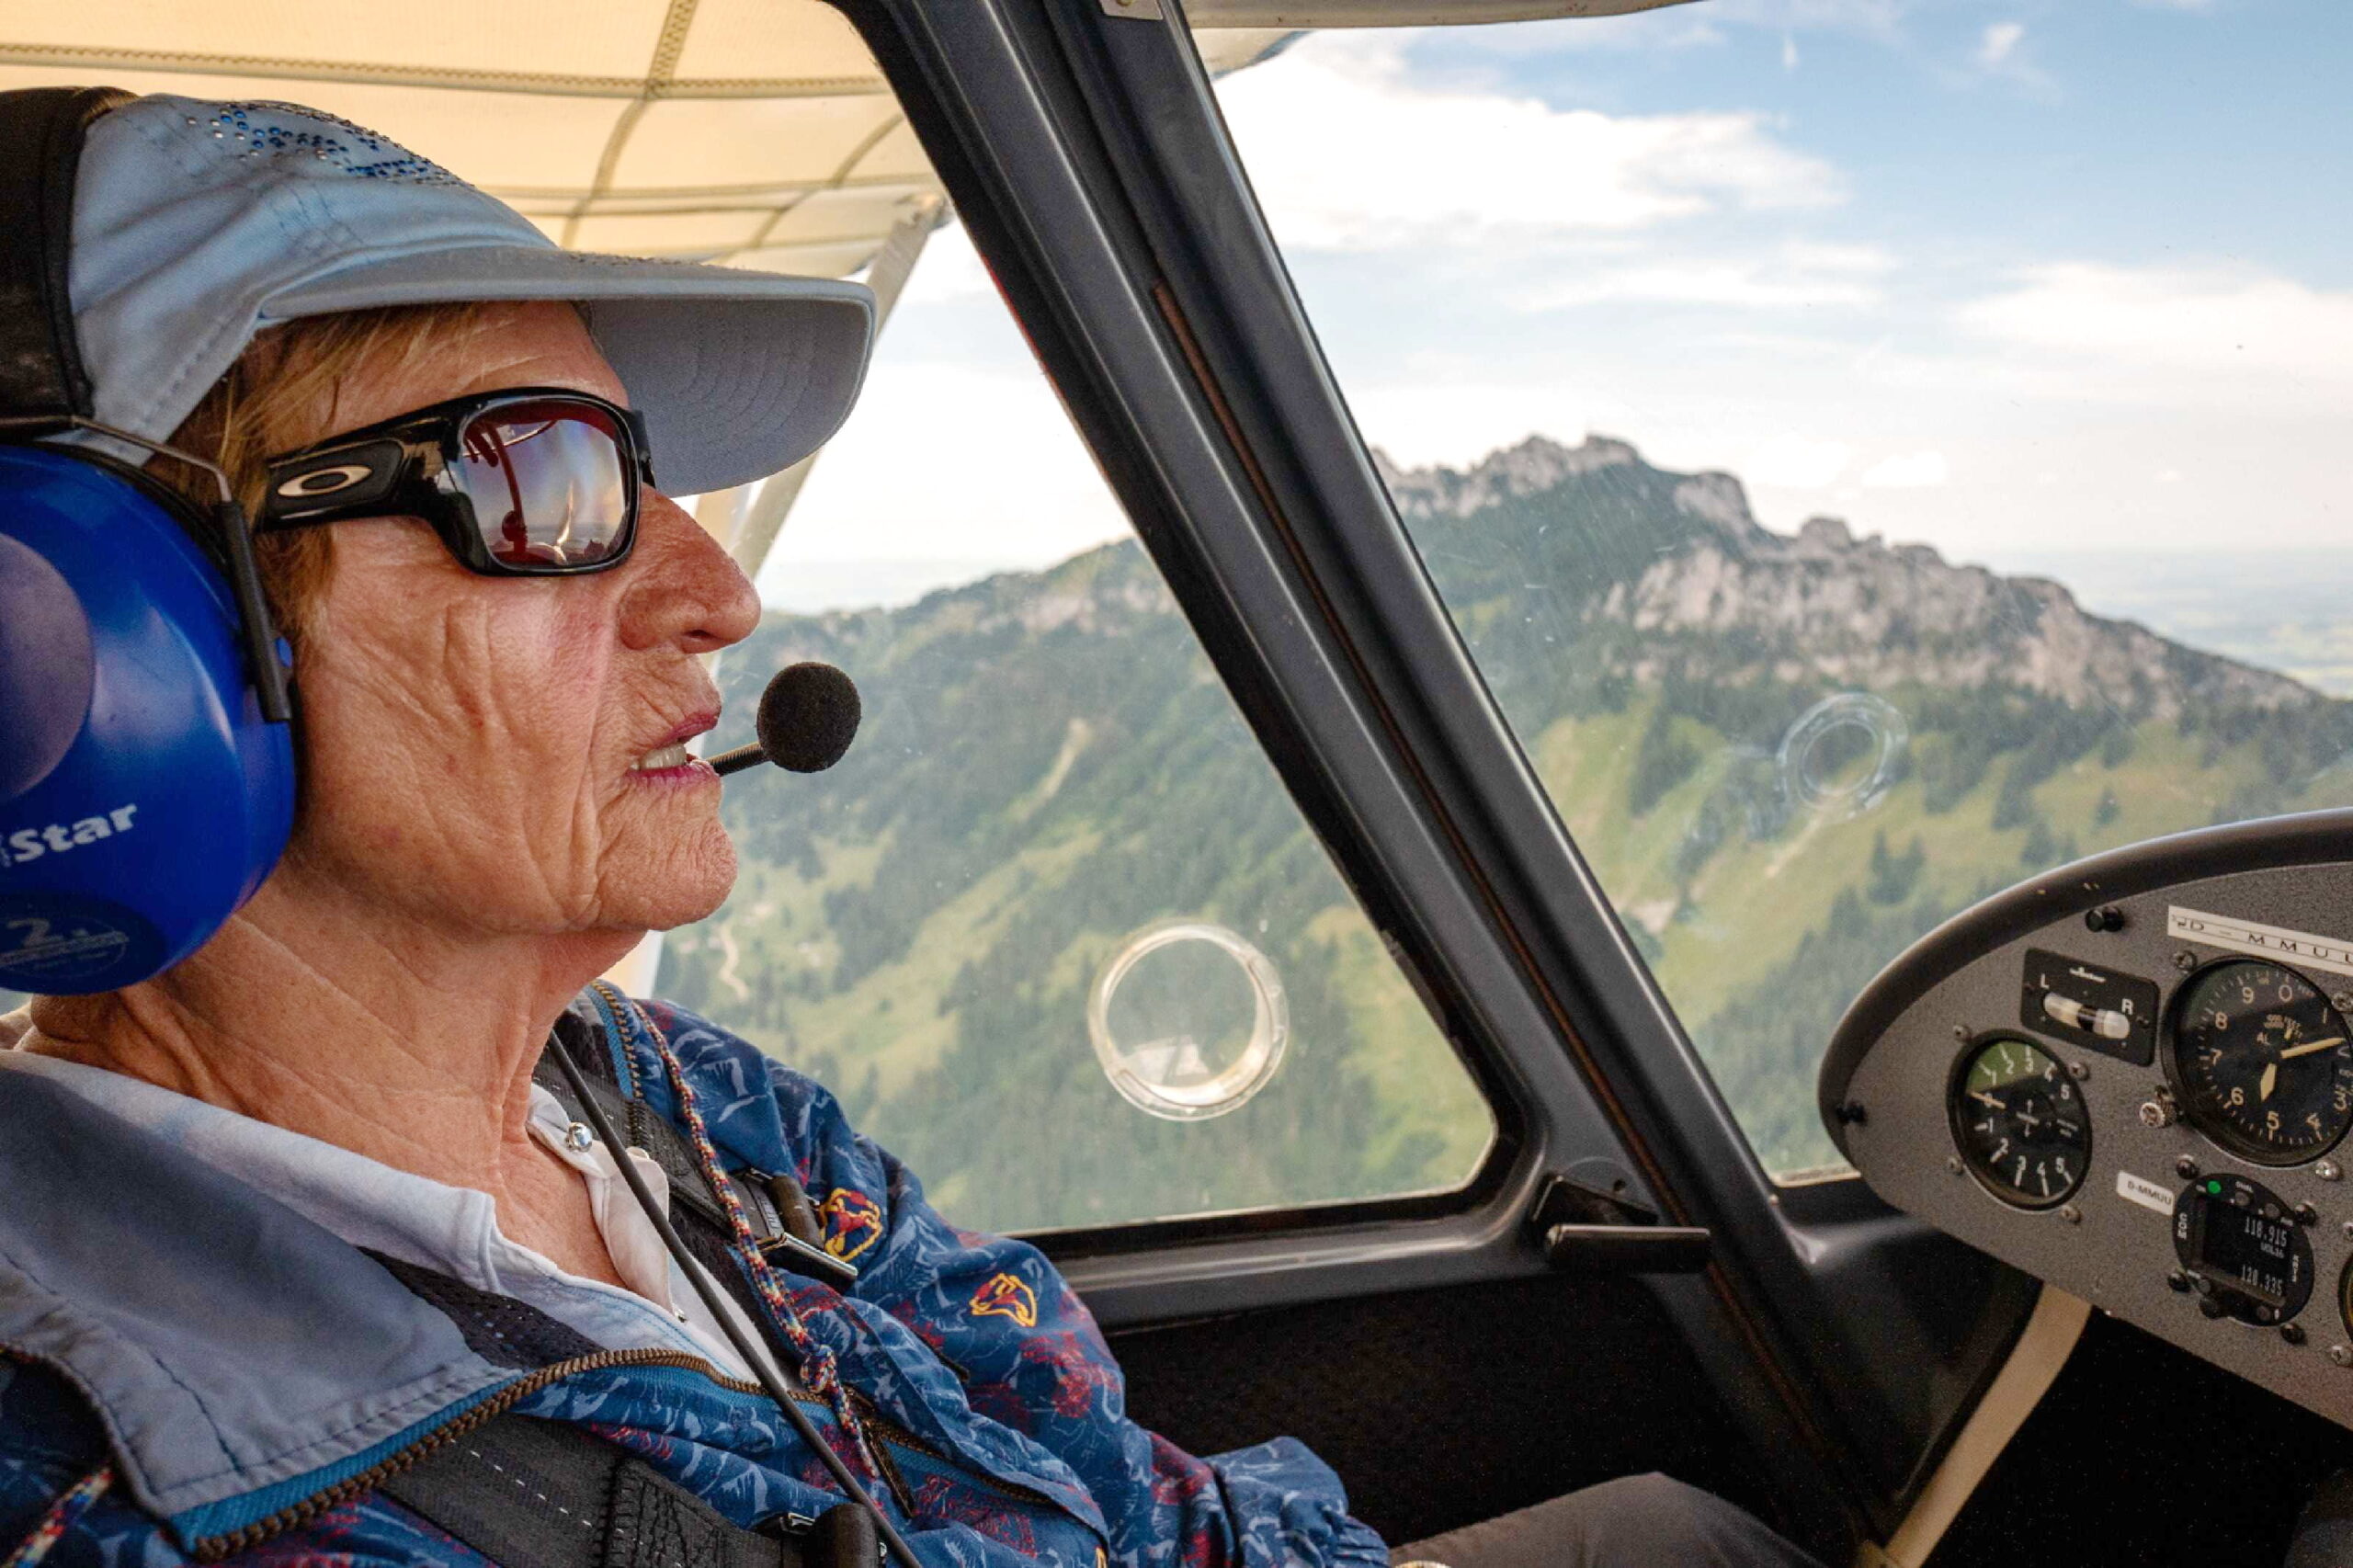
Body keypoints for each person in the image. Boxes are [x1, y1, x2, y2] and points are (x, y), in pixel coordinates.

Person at [0, 93, 1822, 1568]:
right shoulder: (109, 1498)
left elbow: (1124, 1497)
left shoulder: (688, 1106)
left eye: (646, 468)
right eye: (541, 476)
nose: (715, 591)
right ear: (74, 645)